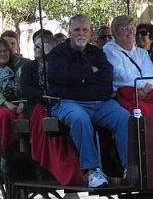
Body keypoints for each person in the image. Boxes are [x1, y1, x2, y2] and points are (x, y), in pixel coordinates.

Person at [46, 14, 130, 189]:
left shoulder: (96, 52)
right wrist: (89, 72)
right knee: (79, 119)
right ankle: (93, 170)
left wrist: (80, 77)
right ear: (69, 32)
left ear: (90, 33)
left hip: (100, 103)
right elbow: (61, 76)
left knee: (124, 117)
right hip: (68, 102)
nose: (81, 34)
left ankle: (129, 167)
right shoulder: (57, 54)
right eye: (77, 29)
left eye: (85, 30)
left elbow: (107, 76)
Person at [102, 15, 153, 117]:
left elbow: (150, 73)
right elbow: (119, 73)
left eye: (132, 27)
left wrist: (147, 89)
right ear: (116, 33)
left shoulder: (142, 53)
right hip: (123, 95)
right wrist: (143, 86)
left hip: (146, 93)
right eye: (125, 28)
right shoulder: (109, 50)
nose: (131, 31)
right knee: (141, 115)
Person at [20, 29, 55, 115]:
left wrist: (50, 54)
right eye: (35, 45)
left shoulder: (57, 65)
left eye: (38, 46)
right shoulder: (28, 66)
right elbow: (25, 88)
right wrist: (42, 95)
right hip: (35, 103)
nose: (34, 48)